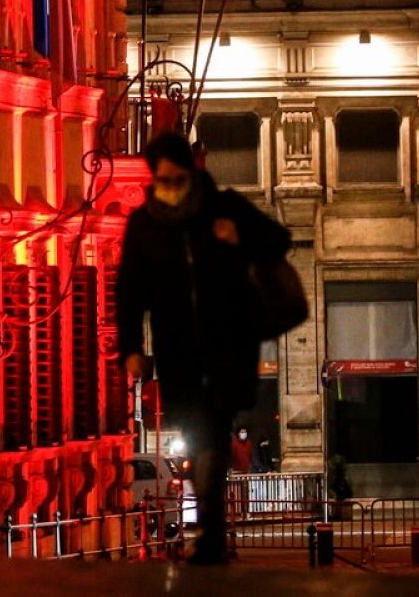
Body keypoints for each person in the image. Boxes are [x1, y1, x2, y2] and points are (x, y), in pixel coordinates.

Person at [116, 132, 292, 566]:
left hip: (228, 342)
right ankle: (209, 528)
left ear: (191, 173)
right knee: (196, 439)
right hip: (178, 350)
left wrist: (239, 239)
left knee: (212, 432)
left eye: (177, 179)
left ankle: (210, 532)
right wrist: (131, 348)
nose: (171, 190)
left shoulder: (225, 207)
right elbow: (129, 292)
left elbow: (278, 241)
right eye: (163, 181)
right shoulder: (145, 225)